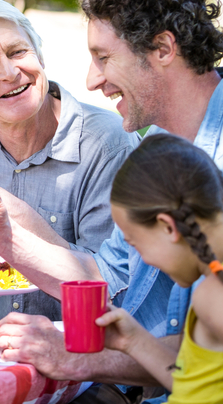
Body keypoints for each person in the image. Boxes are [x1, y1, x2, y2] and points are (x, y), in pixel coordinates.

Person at [0, 0, 223, 403]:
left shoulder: (135, 150)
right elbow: (105, 277)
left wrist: (82, 359)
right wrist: (2, 235)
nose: (90, 81)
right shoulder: (159, 152)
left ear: (163, 49)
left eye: (103, 58)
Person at [0, 0, 137, 321]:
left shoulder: (108, 144)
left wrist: (17, 221)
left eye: (18, 52)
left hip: (80, 347)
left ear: (40, 56)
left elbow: (116, 288)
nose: (10, 72)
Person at [94, 134, 223, 401]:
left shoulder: (213, 295)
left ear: (167, 227)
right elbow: (196, 382)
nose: (144, 259)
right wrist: (133, 340)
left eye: (135, 244)